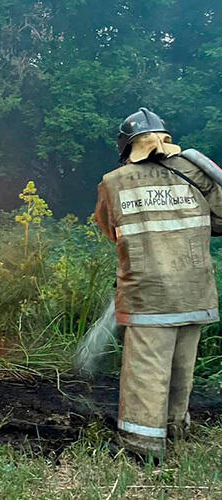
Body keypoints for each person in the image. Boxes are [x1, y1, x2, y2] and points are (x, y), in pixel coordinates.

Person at [95, 107, 222, 459]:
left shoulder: (114, 181)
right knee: (182, 367)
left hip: (148, 294)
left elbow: (110, 229)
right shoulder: (195, 172)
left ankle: (142, 446)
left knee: (146, 371)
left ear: (127, 147)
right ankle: (174, 429)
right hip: (195, 291)